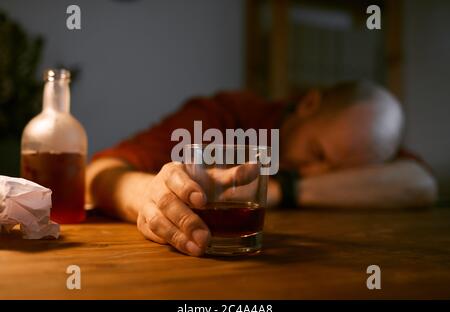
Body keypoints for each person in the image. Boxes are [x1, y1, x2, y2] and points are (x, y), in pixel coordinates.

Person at [86, 80, 437, 256]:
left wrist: (284, 188)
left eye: (340, 172)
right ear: (309, 103)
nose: (318, 171)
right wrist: (151, 196)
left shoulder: (361, 140)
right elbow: (99, 172)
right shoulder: (226, 115)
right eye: (316, 152)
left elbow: (420, 184)